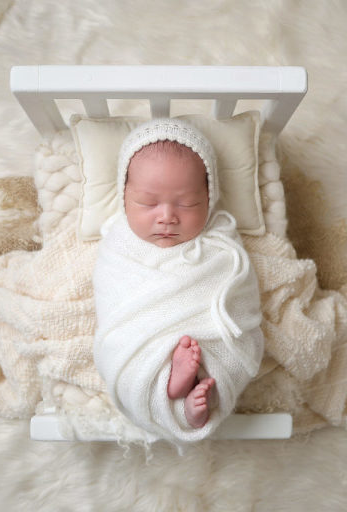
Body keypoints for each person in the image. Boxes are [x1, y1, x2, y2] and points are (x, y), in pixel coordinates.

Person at [92, 119, 264, 442]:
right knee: (121, 358)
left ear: (210, 199)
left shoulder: (221, 244)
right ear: (124, 197)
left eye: (187, 203)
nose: (167, 216)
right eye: (148, 203)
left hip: (202, 342)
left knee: (232, 344)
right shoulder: (118, 246)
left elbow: (240, 300)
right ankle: (168, 389)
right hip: (141, 338)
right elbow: (111, 302)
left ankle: (194, 403)